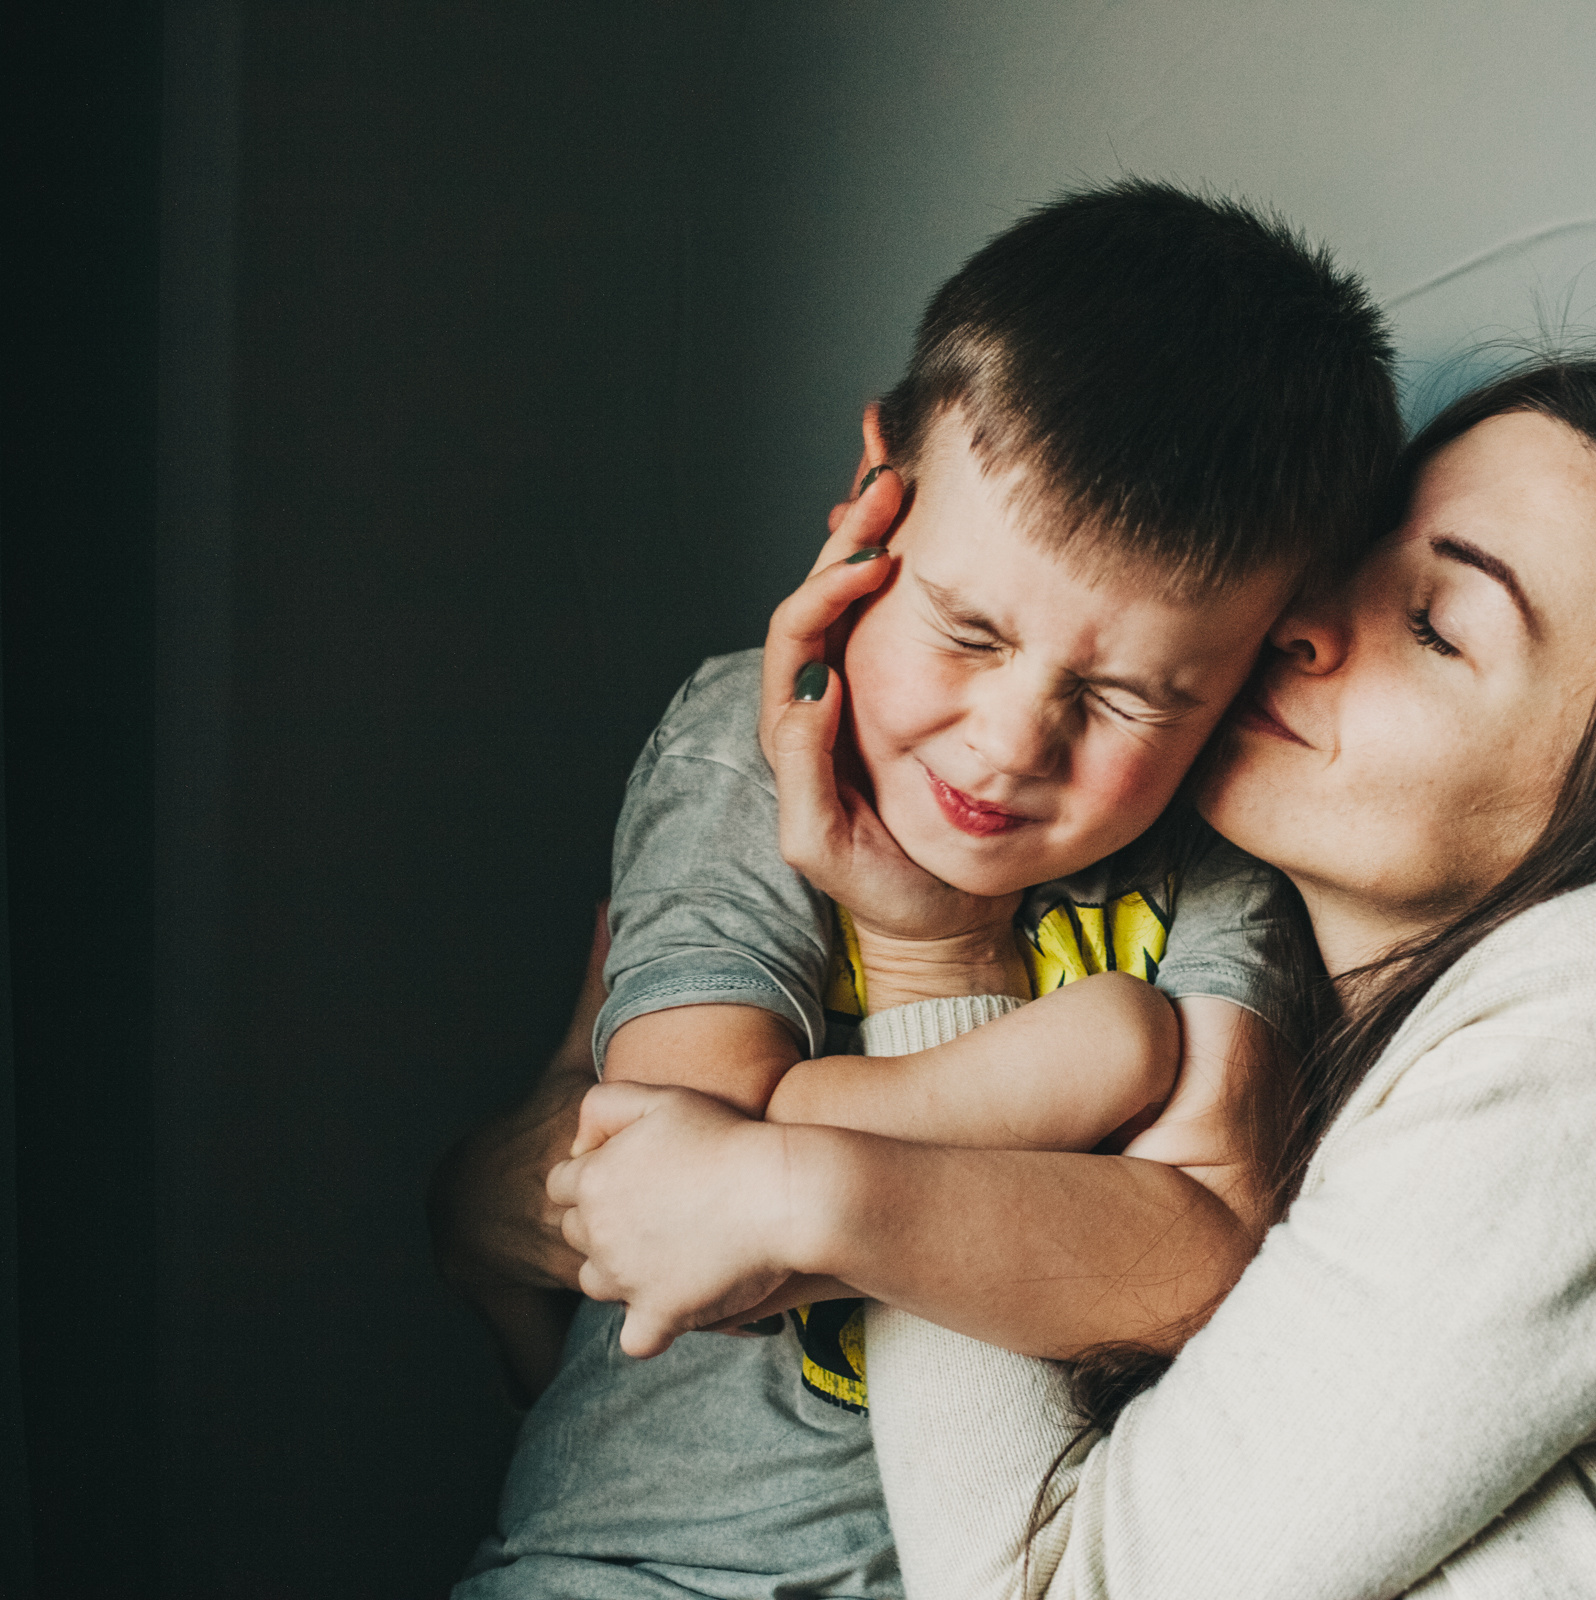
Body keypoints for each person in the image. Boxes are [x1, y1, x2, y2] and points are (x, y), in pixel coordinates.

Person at [550, 352, 1596, 1598]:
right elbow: (581, 1190)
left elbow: (1047, 1590)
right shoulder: (1286, 1014)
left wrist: (924, 973)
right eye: (1350, 549)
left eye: (1440, 623)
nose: (1300, 618)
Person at [434, 181, 1403, 1597]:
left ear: (1260, 655)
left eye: (1133, 694)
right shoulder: (757, 739)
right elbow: (666, 1158)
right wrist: (1092, 1064)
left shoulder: (1221, 853)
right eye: (965, 630)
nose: (1011, 743)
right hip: (634, 1564)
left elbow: (1195, 1262)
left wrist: (792, 1162)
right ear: (878, 489)